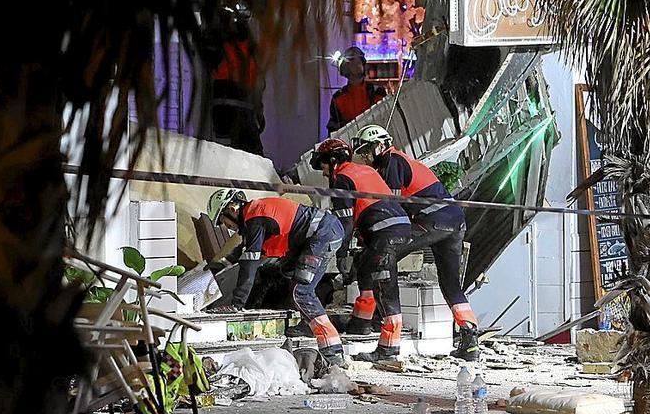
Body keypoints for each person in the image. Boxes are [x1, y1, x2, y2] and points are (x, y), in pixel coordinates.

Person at [352, 124, 480, 361]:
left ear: (380, 146)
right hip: (453, 221)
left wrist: (367, 238)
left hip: (433, 218)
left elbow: (391, 208)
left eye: (368, 151)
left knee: (382, 256)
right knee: (450, 283)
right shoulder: (398, 161)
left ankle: (387, 342)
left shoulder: (392, 162)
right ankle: (470, 341)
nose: (366, 158)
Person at [205, 190, 346, 366]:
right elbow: (245, 249)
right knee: (288, 271)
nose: (226, 227)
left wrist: (236, 305)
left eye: (222, 221)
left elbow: (249, 264)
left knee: (301, 291)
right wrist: (222, 263)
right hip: (321, 234)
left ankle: (333, 351)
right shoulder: (256, 214)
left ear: (232, 209)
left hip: (321, 236)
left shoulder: (255, 218)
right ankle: (308, 324)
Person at [310, 139, 410, 362]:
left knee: (384, 284)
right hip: (395, 226)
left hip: (384, 231)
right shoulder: (363, 170)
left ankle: (388, 350)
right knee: (366, 270)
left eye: (323, 166)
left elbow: (344, 223)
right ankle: (361, 323)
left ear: (332, 161)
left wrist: (341, 253)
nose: (324, 173)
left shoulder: (341, 179)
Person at [210, 5, 266, 155]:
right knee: (249, 156)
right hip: (236, 107)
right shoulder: (247, 49)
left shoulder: (223, 45)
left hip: (230, 107)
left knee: (229, 154)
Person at [326, 47, 387, 135]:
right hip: (350, 142)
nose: (357, 65)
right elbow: (333, 130)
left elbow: (386, 118)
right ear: (345, 68)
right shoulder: (338, 98)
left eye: (359, 62)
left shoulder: (378, 92)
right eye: (352, 62)